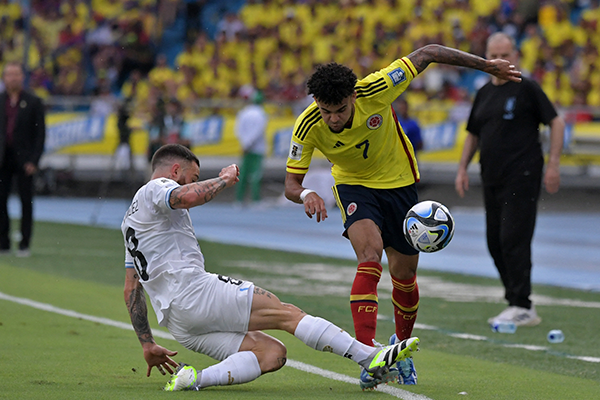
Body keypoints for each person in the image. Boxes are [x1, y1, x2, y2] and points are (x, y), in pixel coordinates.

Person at [283, 44, 521, 386]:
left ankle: (400, 346)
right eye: (325, 111)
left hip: (400, 185)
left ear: (353, 96)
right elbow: (292, 183)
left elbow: (429, 52)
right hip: (353, 187)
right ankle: (368, 355)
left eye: (339, 110)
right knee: (369, 256)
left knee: (404, 274)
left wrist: (487, 66)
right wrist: (306, 194)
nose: (332, 119)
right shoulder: (307, 125)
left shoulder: (377, 88)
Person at [121, 144, 420, 392]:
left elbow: (131, 290)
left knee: (272, 354)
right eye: (192, 176)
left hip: (179, 323)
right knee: (285, 313)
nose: (192, 181)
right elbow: (184, 196)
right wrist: (225, 178)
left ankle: (194, 379)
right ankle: (368, 356)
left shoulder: (129, 223)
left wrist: (147, 344)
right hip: (194, 293)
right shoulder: (155, 189)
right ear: (175, 171)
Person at [454, 32, 564, 327]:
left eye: (506, 54)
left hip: (522, 174)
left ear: (515, 56)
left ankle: (522, 304)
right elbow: (473, 133)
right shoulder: (483, 93)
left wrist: (553, 164)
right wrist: (462, 167)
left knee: (513, 238)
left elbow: (556, 121)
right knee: (494, 242)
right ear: (486, 58)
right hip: (491, 175)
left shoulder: (526, 88)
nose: (501, 60)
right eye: (495, 55)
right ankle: (514, 300)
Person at [0, 62, 46, 257]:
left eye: (16, 74)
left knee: (26, 201)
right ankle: (3, 243)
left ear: (22, 77)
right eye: (9, 74)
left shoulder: (34, 101)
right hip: (3, 158)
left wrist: (34, 160)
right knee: (1, 201)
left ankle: (24, 244)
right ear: (4, 78)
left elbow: (40, 134)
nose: (13, 78)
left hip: (25, 159)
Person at [234, 88, 267, 204]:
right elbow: (258, 131)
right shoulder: (261, 114)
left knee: (242, 174)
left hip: (245, 148)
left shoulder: (243, 113)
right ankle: (255, 199)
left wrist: (244, 143)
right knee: (255, 175)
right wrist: (249, 143)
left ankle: (239, 199)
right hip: (257, 149)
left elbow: (238, 130)